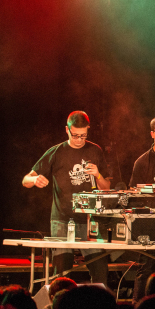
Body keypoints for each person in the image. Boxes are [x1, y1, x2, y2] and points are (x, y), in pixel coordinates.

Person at [22, 111, 112, 284]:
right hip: (62, 220)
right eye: (75, 135)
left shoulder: (95, 150)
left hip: (90, 220)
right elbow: (25, 180)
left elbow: (106, 188)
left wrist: (98, 175)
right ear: (67, 130)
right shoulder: (56, 152)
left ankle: (99, 300)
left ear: (88, 130)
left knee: (100, 269)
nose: (79, 140)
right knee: (61, 274)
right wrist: (34, 179)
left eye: (83, 135)